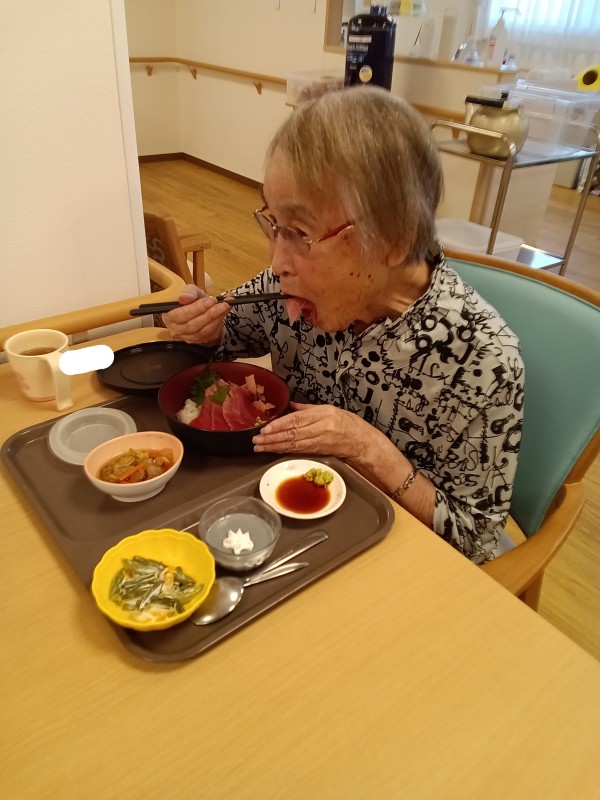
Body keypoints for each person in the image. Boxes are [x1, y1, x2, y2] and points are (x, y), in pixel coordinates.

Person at [163, 86, 524, 565]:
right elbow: (230, 334)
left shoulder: (481, 358)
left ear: (393, 240)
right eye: (274, 224)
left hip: (397, 561)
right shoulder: (288, 285)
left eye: (300, 232)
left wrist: (368, 450)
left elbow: (475, 539)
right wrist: (203, 326)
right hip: (290, 528)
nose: (277, 262)